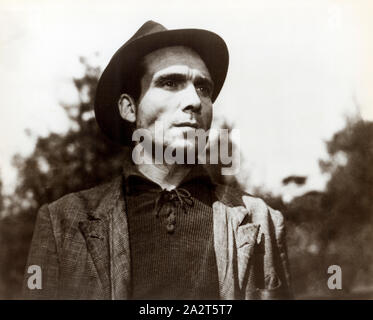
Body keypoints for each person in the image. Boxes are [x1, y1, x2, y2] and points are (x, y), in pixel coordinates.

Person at [23, 20, 292, 300]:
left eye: (203, 88)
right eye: (170, 82)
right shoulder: (62, 222)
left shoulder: (261, 220)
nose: (194, 101)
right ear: (129, 108)